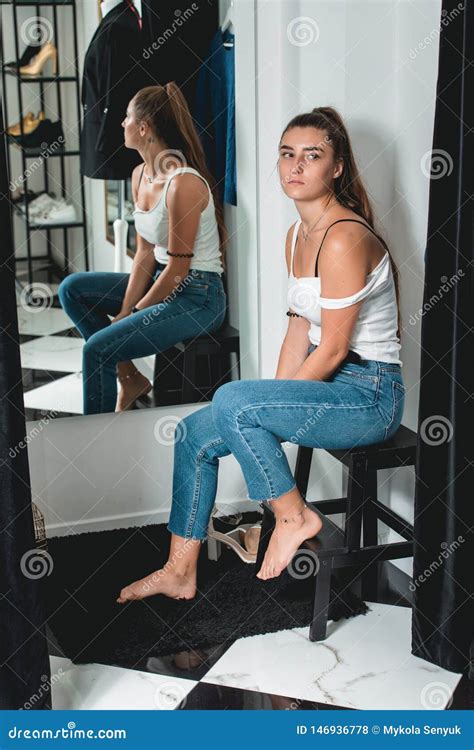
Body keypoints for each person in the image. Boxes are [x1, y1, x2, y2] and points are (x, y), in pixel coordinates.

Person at [117, 106, 405, 602]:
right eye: (287, 155)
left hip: (370, 394)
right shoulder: (298, 235)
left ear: (336, 168)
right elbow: (299, 330)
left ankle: (293, 515)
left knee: (235, 400)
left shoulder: (344, 238)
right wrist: (266, 400)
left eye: (311, 156)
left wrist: (260, 407)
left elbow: (334, 347)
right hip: (332, 383)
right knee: (192, 434)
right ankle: (179, 571)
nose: (295, 167)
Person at [58, 82, 227, 414]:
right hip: (163, 279)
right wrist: (126, 308)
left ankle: (98, 437)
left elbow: (179, 270)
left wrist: (132, 314)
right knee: (71, 289)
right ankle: (130, 377)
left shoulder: (183, 184)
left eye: (126, 117)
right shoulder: (139, 175)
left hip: (199, 295)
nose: (122, 124)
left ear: (144, 128)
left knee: (97, 349)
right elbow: (146, 253)